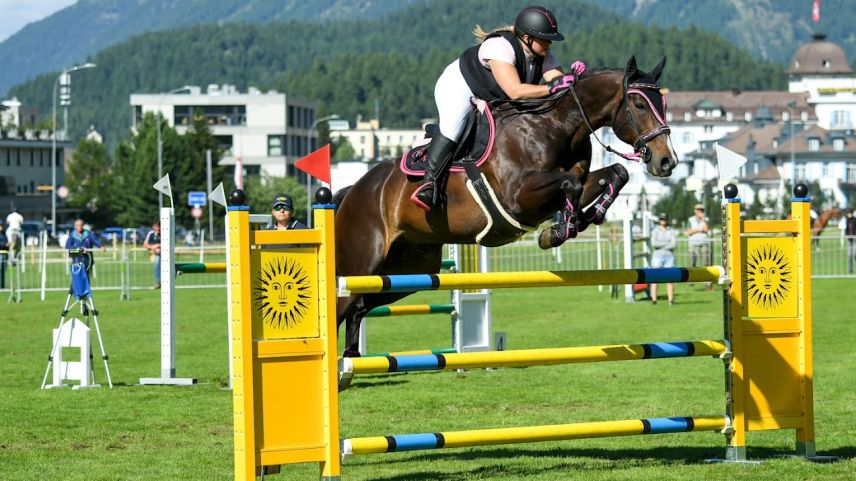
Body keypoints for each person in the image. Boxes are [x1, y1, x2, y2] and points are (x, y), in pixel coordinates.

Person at [411, 5, 587, 212]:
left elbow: (556, 85)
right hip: (459, 87)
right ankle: (429, 184)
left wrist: (572, 79)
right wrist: (553, 86)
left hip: (493, 96)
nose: (549, 43)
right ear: (528, 38)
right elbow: (516, 91)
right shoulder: (499, 48)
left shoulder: (544, 54)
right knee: (453, 128)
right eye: (546, 39)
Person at [650, 213, 677, 305]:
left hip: (669, 257)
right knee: (655, 278)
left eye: (664, 219)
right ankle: (654, 299)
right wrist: (667, 243)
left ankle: (671, 300)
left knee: (670, 279)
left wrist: (661, 244)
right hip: (657, 256)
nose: (663, 221)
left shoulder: (671, 230)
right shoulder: (655, 230)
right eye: (661, 219)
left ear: (667, 220)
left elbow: (674, 244)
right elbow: (654, 243)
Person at [686, 203, 711, 289]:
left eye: (702, 210)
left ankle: (707, 283)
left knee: (706, 264)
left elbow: (707, 229)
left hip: (703, 243)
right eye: (698, 210)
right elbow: (689, 232)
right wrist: (699, 229)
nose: (700, 212)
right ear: (695, 211)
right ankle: (691, 280)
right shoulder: (690, 220)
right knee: (692, 263)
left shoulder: (706, 219)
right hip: (693, 244)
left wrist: (703, 220)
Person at [143, 221, 162, 289]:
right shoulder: (151, 233)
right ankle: (157, 282)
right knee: (157, 262)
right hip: (155, 254)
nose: (158, 229)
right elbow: (145, 245)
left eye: (159, 227)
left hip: (164, 253)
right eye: (156, 227)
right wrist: (154, 247)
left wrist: (159, 246)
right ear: (153, 227)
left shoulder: (165, 233)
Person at [846, 209, 856, 274]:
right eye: (848, 213)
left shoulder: (855, 220)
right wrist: (846, 235)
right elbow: (846, 229)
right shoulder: (847, 220)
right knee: (849, 255)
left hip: (855, 239)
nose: (849, 214)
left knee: (855, 254)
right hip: (849, 240)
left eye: (850, 213)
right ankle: (850, 269)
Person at [0, 222, 7, 290]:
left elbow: (6, 242)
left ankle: (2, 286)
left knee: (3, 271)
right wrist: (4, 245)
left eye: (1, 226)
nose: (1, 227)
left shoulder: (4, 234)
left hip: (4, 254)